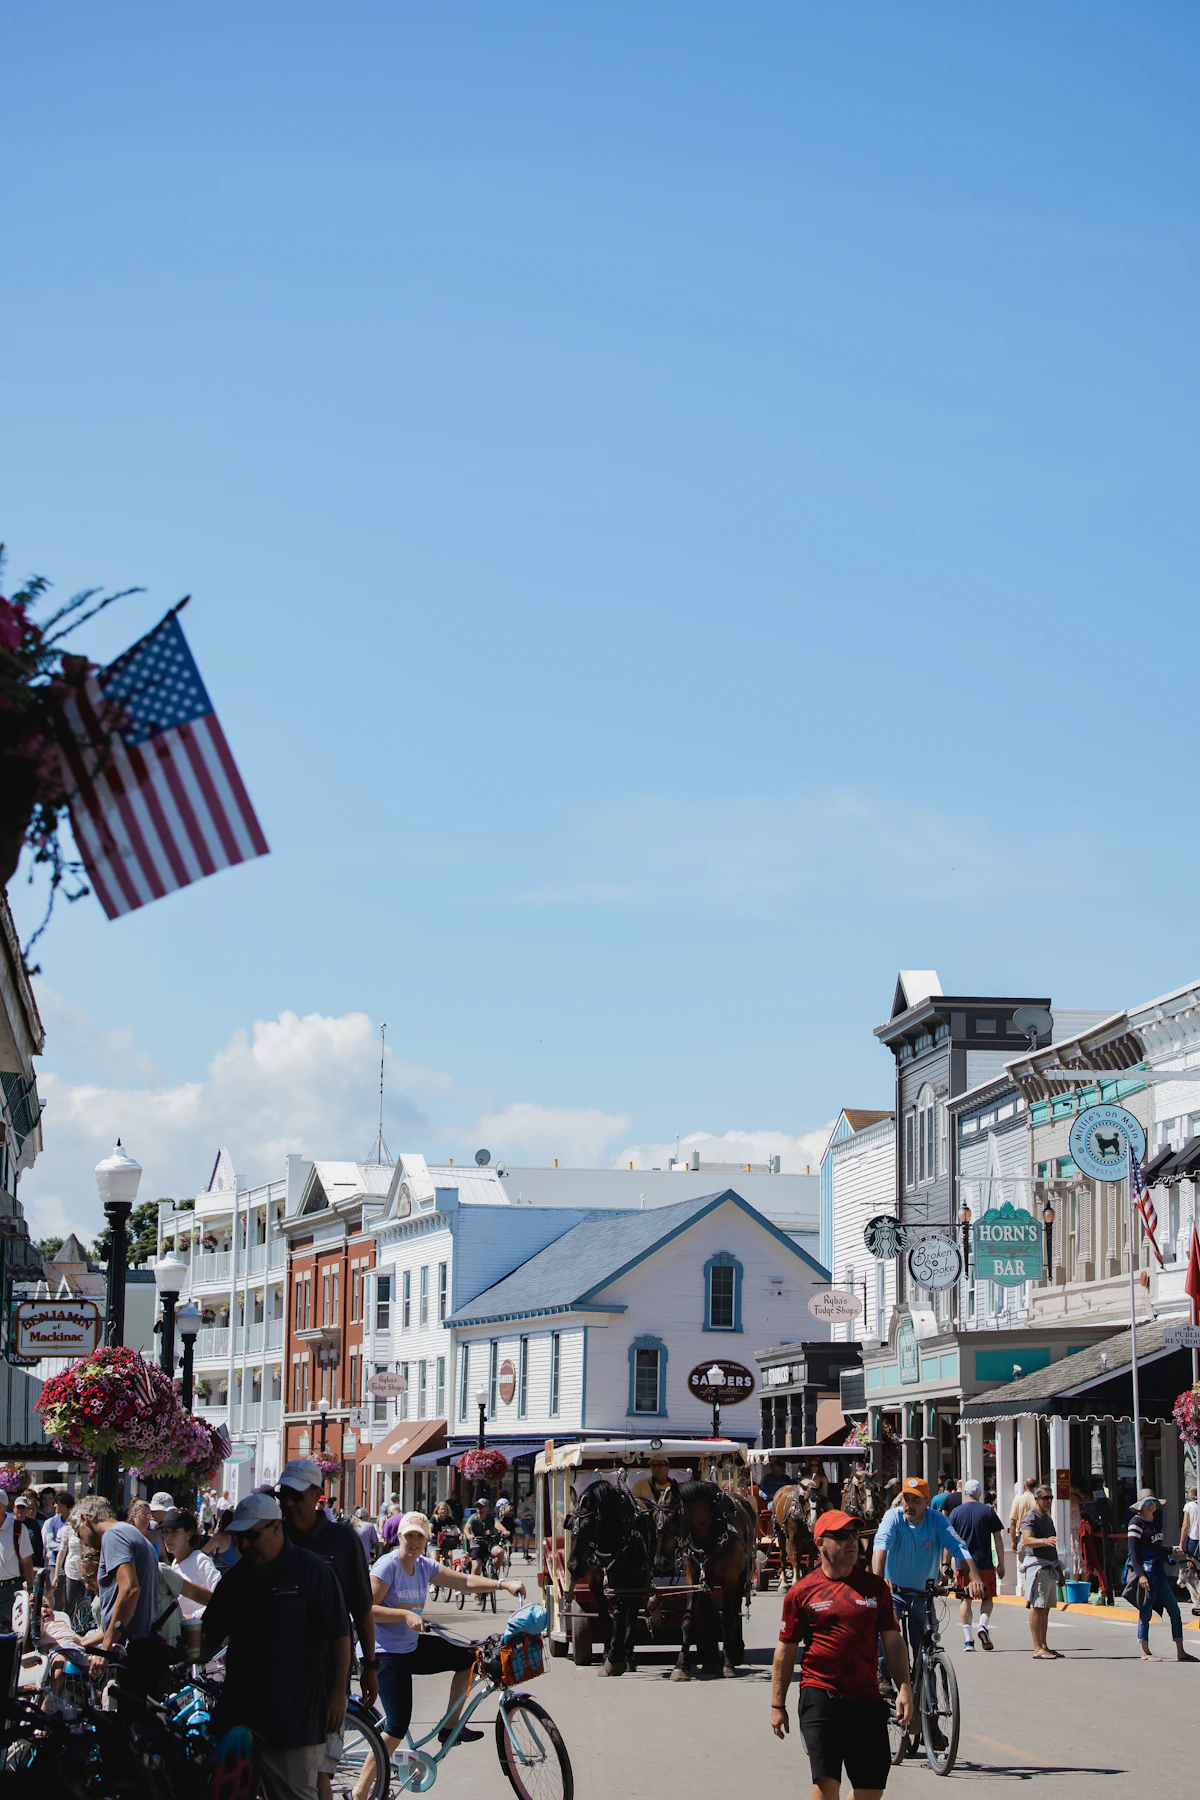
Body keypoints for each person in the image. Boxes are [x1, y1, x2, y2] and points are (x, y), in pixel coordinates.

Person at [199, 1492, 351, 1800]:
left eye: (252, 1536)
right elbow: (207, 1637)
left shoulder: (311, 1571)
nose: (243, 1545)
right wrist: (178, 1650)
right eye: (239, 1538)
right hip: (241, 1718)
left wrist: (338, 1693)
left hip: (294, 1719)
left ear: (276, 1528)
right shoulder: (235, 1580)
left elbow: (339, 1633)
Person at [362, 1509, 525, 1787]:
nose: (414, 1541)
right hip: (384, 1650)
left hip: (410, 1646)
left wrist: (502, 1584)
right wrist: (403, 1615)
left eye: (419, 1536)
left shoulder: (423, 1565)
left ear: (426, 1540)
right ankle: (360, 1792)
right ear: (399, 1536)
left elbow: (462, 1581)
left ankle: (450, 1729)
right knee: (397, 1727)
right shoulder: (387, 1566)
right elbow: (365, 1609)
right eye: (409, 1535)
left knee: (470, 1658)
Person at [772, 1508, 913, 1800]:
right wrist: (778, 1705)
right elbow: (785, 1650)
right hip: (821, 1696)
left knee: (871, 1790)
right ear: (821, 1543)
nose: (851, 1541)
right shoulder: (802, 1592)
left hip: (866, 1698)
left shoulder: (875, 1588)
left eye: (854, 1535)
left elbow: (893, 1642)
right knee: (826, 1786)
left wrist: (904, 1687)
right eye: (841, 1536)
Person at [278, 1457, 378, 1800]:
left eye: (296, 1495)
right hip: (279, 1671)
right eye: (282, 1495)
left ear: (319, 1494)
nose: (288, 1503)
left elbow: (362, 1609)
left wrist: (370, 1666)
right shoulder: (273, 1535)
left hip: (327, 1671)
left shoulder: (343, 1540)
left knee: (321, 1771)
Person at [871, 1477, 983, 1692]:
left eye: (916, 1500)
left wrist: (975, 1577)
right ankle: (884, 1674)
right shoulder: (893, 1517)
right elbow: (881, 1545)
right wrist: (878, 1580)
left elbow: (958, 1546)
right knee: (887, 1629)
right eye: (906, 1499)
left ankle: (928, 1701)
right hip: (894, 1592)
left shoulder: (937, 1520)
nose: (909, 1505)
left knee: (926, 1643)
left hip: (923, 1594)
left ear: (927, 1502)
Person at [70, 1495, 162, 1676]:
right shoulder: (132, 1533)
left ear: (85, 1519)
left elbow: (129, 1590)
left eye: (78, 1533)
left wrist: (106, 1648)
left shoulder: (114, 1536)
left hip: (127, 1654)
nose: (82, 1541)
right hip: (140, 1648)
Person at [1127, 1488, 1197, 1664]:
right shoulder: (1135, 1523)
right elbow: (1133, 1553)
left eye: (1153, 1503)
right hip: (1146, 1572)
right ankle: (1145, 1650)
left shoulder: (1154, 1522)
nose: (1151, 1506)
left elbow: (1156, 1546)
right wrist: (1140, 1575)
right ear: (1141, 1506)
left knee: (1174, 1610)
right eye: (1148, 1503)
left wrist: (1171, 1549)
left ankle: (1181, 1651)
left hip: (1158, 1571)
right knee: (1146, 1611)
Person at [947, 1479, 1005, 1651]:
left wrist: (947, 1563)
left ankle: (968, 1641)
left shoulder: (956, 1512)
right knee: (987, 1598)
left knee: (965, 1599)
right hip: (985, 1562)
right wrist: (1001, 1562)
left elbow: (949, 1539)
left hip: (963, 1563)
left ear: (965, 1493)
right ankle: (983, 1625)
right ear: (979, 1494)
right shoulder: (988, 1511)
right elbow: (998, 1538)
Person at [1019, 1485, 1064, 1659]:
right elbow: (1026, 1539)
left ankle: (1044, 1645)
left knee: (1045, 1608)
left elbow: (1053, 1547)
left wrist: (1059, 1571)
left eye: (1051, 1498)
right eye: (1045, 1498)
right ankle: (1037, 1648)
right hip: (1037, 1566)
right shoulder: (1031, 1516)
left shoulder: (1047, 1517)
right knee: (1037, 1607)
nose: (1049, 1501)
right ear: (1037, 1499)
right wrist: (1044, 1541)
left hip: (1050, 1566)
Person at [160, 1509, 221, 1620]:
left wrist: (193, 1617)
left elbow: (222, 1598)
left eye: (174, 1531)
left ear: (188, 1534)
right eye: (165, 1531)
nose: (168, 1537)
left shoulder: (200, 1560)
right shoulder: (174, 1564)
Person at [0, 1489, 35, 1630]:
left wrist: (31, 1589)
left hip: (11, 1589)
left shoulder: (18, 1528)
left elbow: (27, 1561)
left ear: (1, 1506)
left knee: (11, 1631)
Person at [465, 1494, 508, 1575]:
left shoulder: (491, 1517)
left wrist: (504, 1531)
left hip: (489, 1542)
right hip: (477, 1543)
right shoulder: (473, 1518)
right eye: (478, 1507)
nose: (479, 1509)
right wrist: (469, 1535)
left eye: (481, 1507)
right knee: (476, 1567)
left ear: (487, 1508)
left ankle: (493, 1572)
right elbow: (467, 1528)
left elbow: (498, 1525)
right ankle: (473, 1585)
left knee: (500, 1552)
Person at [1009, 1476, 1037, 1595]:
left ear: (1024, 1486)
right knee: (1035, 1564)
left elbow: (1012, 1522)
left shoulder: (1018, 1500)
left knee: (1023, 1565)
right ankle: (1033, 1588)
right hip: (1036, 1537)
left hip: (1022, 1536)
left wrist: (1013, 1541)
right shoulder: (1038, 1500)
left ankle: (1027, 1589)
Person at [13, 1491, 44, 1570]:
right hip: (11, 1565)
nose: (20, 1510)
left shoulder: (34, 1524)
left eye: (23, 1507)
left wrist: (37, 1565)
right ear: (14, 1508)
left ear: (27, 1509)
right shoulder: (8, 1523)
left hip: (30, 1565)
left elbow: (38, 1546)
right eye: (18, 1507)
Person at [1177, 1484, 1199, 1561]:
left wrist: (1181, 1543)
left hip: (1194, 1538)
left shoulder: (1189, 1506)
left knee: (1192, 1566)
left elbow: (1185, 1525)